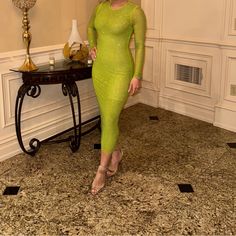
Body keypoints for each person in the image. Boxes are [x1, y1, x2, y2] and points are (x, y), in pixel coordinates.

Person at [87, 0, 146, 195]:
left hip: (121, 71)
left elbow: (139, 45)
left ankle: (101, 170)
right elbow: (90, 27)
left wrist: (137, 75)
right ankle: (116, 152)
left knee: (110, 117)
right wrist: (92, 45)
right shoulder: (100, 7)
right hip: (100, 71)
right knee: (107, 118)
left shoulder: (134, 12)